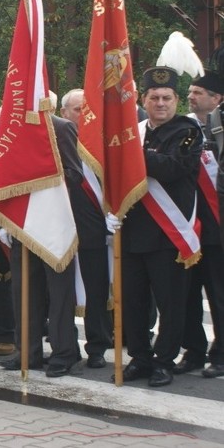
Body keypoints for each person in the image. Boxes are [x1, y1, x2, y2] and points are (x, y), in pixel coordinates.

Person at [118, 66, 202, 387]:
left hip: (168, 235)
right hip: (133, 229)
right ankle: (140, 358)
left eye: (167, 97)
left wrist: (129, 153)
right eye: (154, 97)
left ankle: (163, 361)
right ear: (143, 99)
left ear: (177, 100)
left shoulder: (189, 130)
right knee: (135, 302)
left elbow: (173, 167)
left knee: (170, 303)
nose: (161, 103)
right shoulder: (136, 131)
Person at [0, 111, 82, 377]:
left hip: (54, 223)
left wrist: (41, 176)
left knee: (59, 294)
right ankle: (27, 351)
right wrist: (7, 219)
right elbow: (6, 177)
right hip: (23, 224)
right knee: (23, 291)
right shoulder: (14, 130)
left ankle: (63, 353)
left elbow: (75, 174)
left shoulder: (62, 127)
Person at [174, 75, 224, 378]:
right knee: (187, 293)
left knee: (218, 294)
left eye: (199, 92)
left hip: (217, 226)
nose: (191, 96)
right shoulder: (183, 127)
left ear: (217, 98)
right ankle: (193, 349)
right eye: (190, 92)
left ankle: (220, 354)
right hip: (187, 224)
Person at [60, 88, 112, 369]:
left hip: (93, 229)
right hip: (60, 228)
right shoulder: (55, 139)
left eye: (87, 110)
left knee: (96, 290)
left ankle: (97, 347)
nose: (84, 116)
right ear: (64, 112)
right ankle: (65, 346)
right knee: (61, 293)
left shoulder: (103, 144)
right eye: (78, 110)